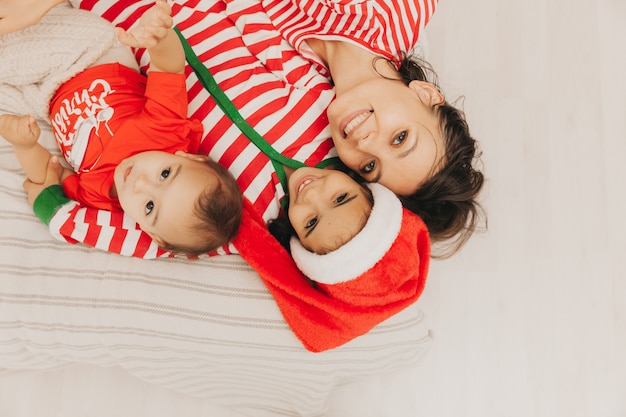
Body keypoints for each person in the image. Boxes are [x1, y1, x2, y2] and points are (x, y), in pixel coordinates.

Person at [0, 1, 243, 255]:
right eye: (165, 174)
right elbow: (169, 69)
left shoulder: (99, 197)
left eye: (149, 206)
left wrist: (25, 145)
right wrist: (159, 38)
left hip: (45, 97)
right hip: (88, 53)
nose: (140, 183)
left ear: (149, 232)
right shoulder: (164, 133)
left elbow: (51, 173)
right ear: (188, 156)